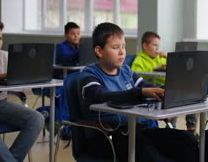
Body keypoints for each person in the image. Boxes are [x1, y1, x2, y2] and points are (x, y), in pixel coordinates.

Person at [79, 23, 198, 161]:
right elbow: (100, 95)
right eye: (115, 47)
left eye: (123, 46)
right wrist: (139, 92)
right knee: (148, 151)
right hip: (108, 137)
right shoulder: (89, 74)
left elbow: (147, 87)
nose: (122, 52)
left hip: (139, 131)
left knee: (188, 140)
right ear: (99, 51)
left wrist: (176, 88)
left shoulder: (126, 71)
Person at [0, 17, 44, 162]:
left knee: (37, 118)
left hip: (1, 103)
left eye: (0, 38)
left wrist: (29, 75)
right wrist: (4, 75)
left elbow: (24, 83)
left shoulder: (8, 57)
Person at [131, 31, 197, 132]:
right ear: (145, 45)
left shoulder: (161, 58)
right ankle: (171, 129)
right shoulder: (139, 60)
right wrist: (154, 69)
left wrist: (168, 58)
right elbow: (135, 76)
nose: (157, 48)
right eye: (154, 45)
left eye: (158, 45)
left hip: (167, 87)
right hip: (154, 90)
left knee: (190, 92)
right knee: (174, 97)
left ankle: (191, 127)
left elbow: (178, 68)